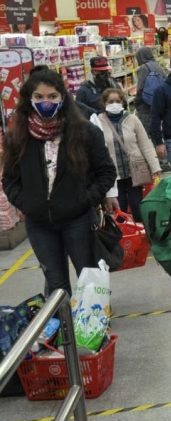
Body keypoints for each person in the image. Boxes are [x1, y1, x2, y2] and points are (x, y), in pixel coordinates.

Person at [1, 67, 117, 294]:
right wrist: (26, 203)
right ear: (29, 99)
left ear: (62, 98)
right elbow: (10, 180)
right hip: (39, 223)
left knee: (89, 278)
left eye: (52, 96)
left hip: (79, 219)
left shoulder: (85, 132)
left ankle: (93, 327)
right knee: (56, 284)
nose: (46, 102)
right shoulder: (18, 137)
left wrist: (85, 199)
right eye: (39, 97)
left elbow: (106, 172)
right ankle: (63, 328)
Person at [94, 88, 161, 220]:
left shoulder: (132, 119)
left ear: (123, 102)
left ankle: (141, 233)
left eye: (117, 101)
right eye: (110, 101)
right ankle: (124, 236)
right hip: (114, 175)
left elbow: (145, 144)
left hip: (134, 171)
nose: (114, 104)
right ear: (104, 103)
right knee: (120, 208)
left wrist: (155, 167)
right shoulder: (98, 122)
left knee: (137, 206)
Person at [134, 47, 164, 133]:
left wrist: (136, 102)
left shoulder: (144, 67)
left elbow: (140, 88)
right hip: (157, 101)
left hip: (146, 104)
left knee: (144, 131)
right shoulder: (157, 65)